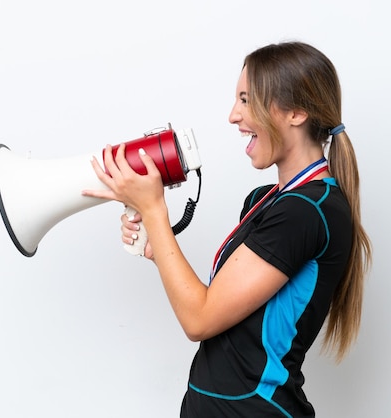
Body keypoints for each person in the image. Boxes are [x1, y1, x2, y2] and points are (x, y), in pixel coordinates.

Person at [82, 41, 372, 418]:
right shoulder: (265, 200)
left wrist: (154, 210)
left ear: (296, 112)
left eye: (246, 100)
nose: (233, 115)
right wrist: (158, 245)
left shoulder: (307, 211)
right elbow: (221, 310)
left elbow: (199, 319)